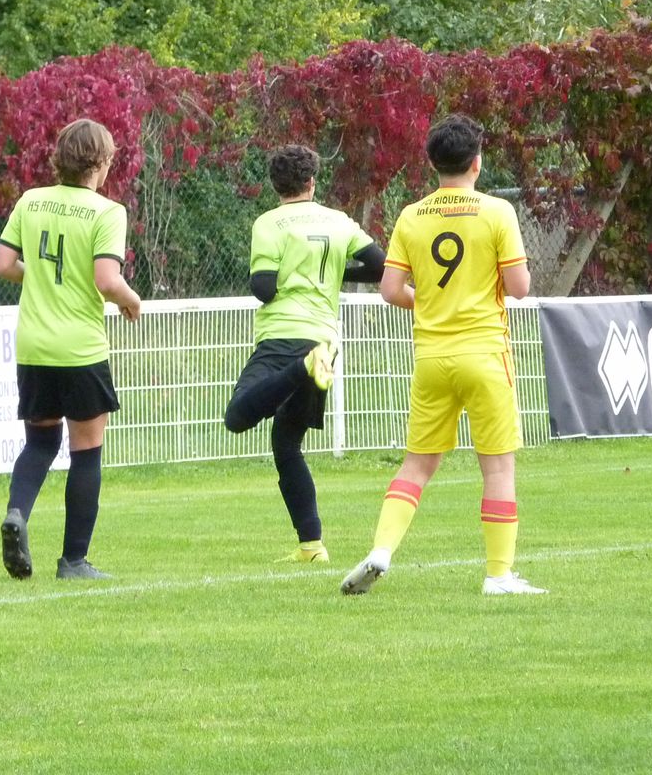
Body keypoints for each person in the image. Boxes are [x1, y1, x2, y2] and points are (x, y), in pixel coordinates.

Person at [340, 114, 542, 596]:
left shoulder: (412, 216)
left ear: (433, 164)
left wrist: (430, 301)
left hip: (432, 358)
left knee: (416, 464)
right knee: (498, 467)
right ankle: (498, 575)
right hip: (485, 354)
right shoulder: (497, 212)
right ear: (477, 163)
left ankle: (381, 550)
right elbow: (519, 287)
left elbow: (391, 290)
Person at [0, 118, 141, 580]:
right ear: (101, 162)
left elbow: (2, 264)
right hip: (79, 348)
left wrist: (37, 277)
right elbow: (106, 280)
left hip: (33, 346)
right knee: (87, 450)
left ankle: (17, 513)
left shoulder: (31, 200)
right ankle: (74, 560)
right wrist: (131, 300)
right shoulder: (107, 212)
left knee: (40, 442)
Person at [224, 145, 386, 563]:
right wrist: (333, 273)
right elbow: (380, 267)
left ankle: (302, 368)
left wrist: (290, 274)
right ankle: (312, 547)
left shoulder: (269, 223)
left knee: (237, 417)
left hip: (284, 338)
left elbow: (263, 288)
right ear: (312, 182)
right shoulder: (338, 220)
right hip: (324, 341)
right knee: (287, 443)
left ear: (275, 186)